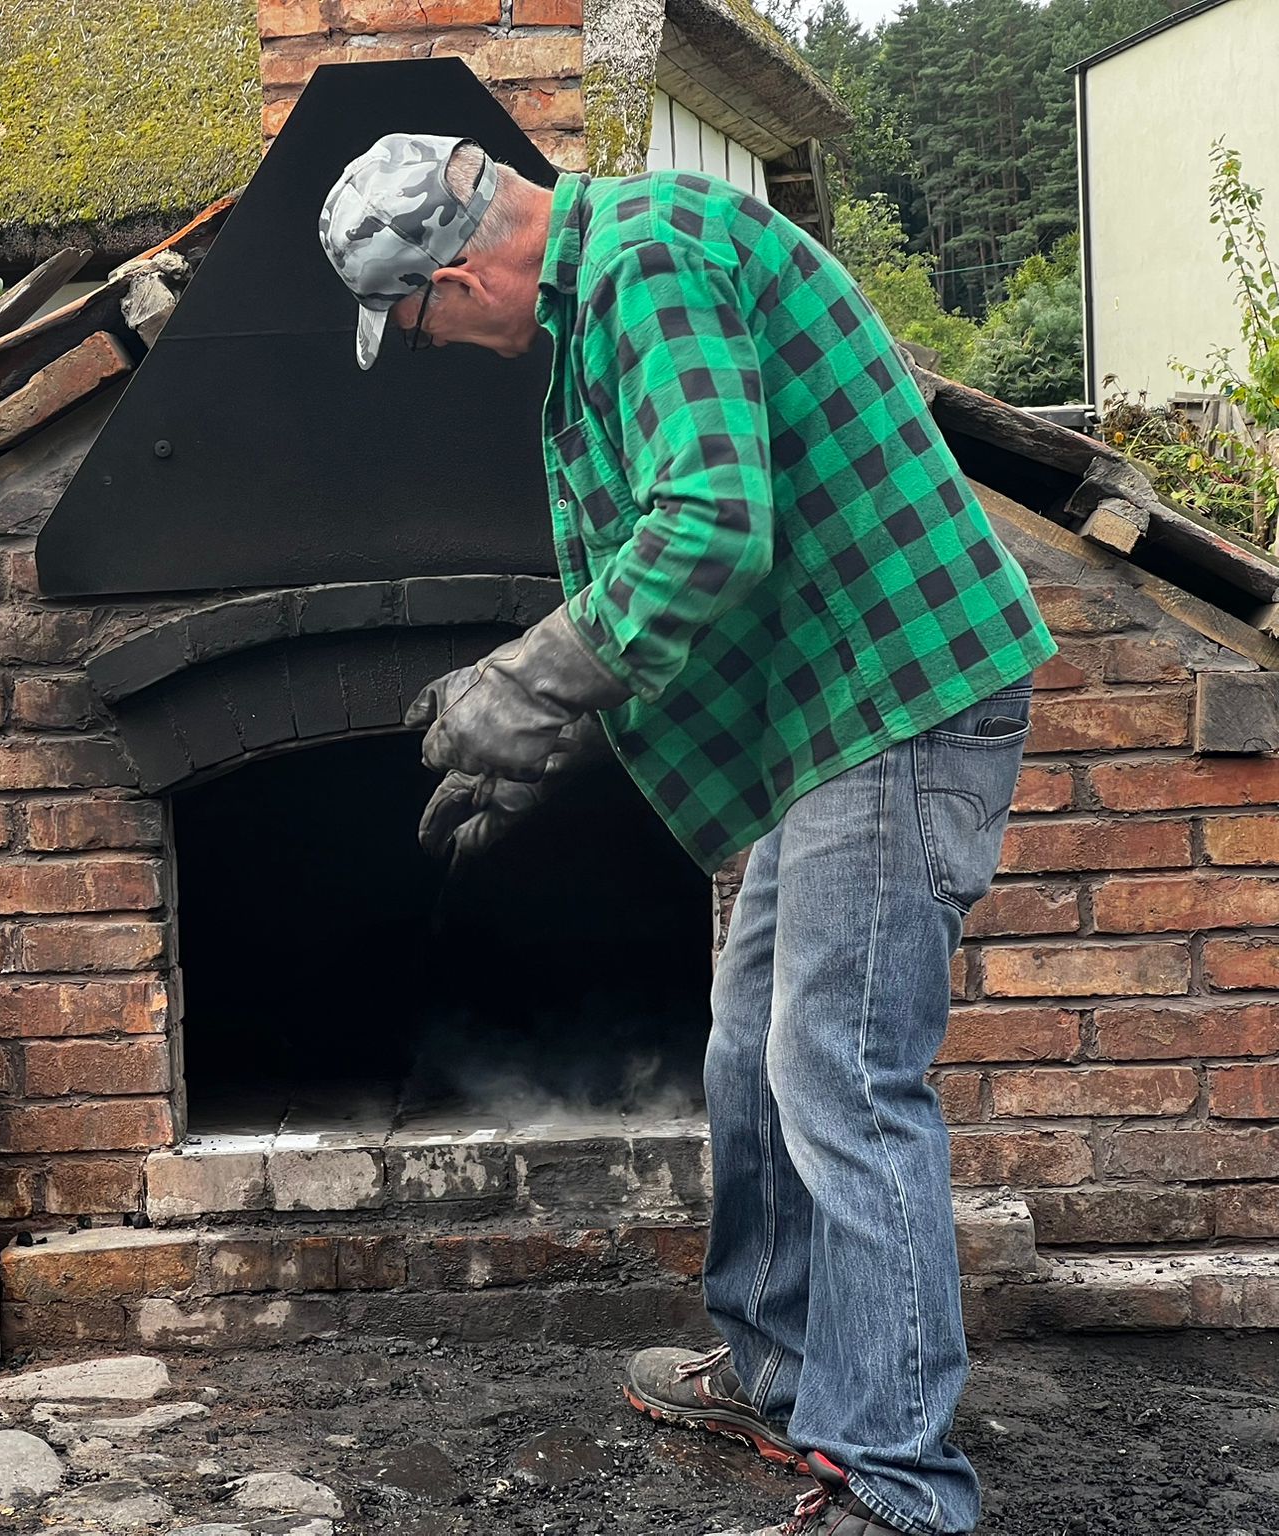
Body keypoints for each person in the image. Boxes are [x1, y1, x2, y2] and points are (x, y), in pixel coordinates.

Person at [319, 136, 1055, 1536]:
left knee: (839, 1071)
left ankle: (897, 1481)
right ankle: (778, 1370)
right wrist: (546, 744)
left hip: (900, 697)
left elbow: (713, 528)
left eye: (414, 317)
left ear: (459, 271)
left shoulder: (651, 259)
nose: (435, 345)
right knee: (750, 1046)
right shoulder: (602, 303)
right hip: (833, 717)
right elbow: (665, 575)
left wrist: (523, 684)